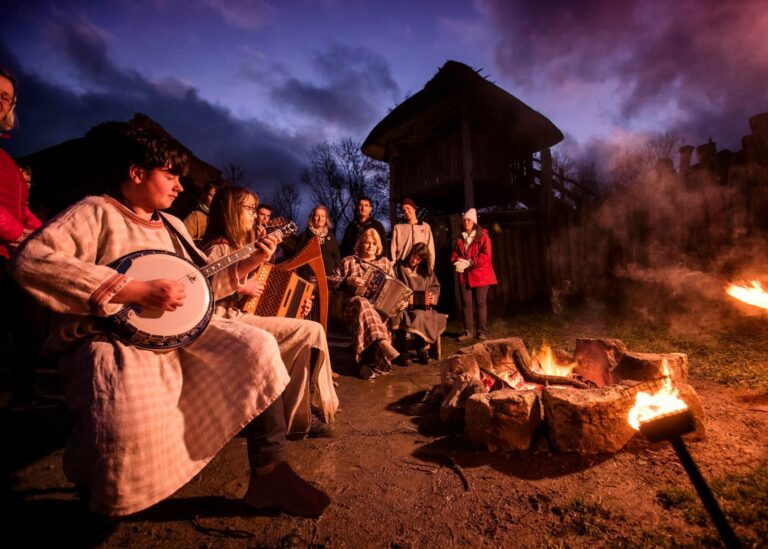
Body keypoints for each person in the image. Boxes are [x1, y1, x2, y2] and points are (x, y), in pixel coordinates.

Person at [10, 125, 330, 518]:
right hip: (114, 335)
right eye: (171, 175)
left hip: (184, 332)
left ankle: (270, 471)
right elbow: (32, 261)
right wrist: (133, 291)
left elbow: (203, 281)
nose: (180, 186)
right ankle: (102, 487)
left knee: (258, 347)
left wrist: (250, 261)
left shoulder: (174, 227)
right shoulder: (95, 212)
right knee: (127, 397)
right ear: (136, 172)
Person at [201, 187, 338, 437]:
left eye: (256, 210)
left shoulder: (244, 246)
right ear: (231, 211)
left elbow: (264, 293)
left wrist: (298, 305)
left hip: (244, 316)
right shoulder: (217, 247)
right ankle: (298, 418)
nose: (255, 215)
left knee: (312, 329)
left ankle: (303, 411)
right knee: (310, 331)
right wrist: (244, 281)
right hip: (222, 319)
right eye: (249, 209)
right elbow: (207, 287)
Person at [0, 67, 47, 408]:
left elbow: (21, 208)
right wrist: (17, 233)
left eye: (6, 98)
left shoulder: (7, 162)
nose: (0, 103)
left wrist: (49, 235)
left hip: (11, 260)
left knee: (28, 329)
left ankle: (23, 394)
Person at [330, 228, 402, 379]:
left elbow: (397, 289)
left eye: (374, 244)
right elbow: (329, 280)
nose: (370, 246)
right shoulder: (348, 261)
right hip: (353, 306)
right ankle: (382, 342)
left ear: (378, 246)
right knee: (363, 303)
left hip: (379, 310)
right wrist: (347, 280)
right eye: (366, 242)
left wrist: (402, 302)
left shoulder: (385, 263)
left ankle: (365, 364)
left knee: (371, 311)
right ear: (360, 244)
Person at [392, 242, 446, 364]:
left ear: (423, 260)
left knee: (421, 315)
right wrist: (404, 301)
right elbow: (395, 287)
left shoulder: (426, 271)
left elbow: (434, 287)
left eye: (418, 258)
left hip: (421, 307)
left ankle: (421, 349)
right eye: (413, 256)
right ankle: (403, 351)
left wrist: (433, 297)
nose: (414, 260)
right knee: (399, 317)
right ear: (410, 253)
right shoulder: (399, 268)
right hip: (403, 306)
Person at [451, 208, 497, 341]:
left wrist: (470, 262)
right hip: (465, 275)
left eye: (469, 220)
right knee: (466, 304)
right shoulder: (460, 238)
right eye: (464, 220)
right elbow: (455, 255)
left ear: (474, 222)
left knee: (480, 303)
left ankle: (481, 332)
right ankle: (468, 332)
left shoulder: (483, 237)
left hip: (480, 274)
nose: (466, 222)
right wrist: (457, 262)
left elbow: (486, 256)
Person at [390, 198, 435, 269]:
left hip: (420, 265)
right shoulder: (398, 228)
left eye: (408, 208)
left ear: (414, 209)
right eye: (404, 210)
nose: (406, 212)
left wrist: (430, 267)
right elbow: (393, 249)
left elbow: (430, 248)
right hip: (403, 266)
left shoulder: (425, 226)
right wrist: (394, 265)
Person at [182, 179, 220, 244]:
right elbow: (182, 240)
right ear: (204, 195)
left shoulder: (224, 219)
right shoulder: (195, 217)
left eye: (218, 196)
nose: (215, 199)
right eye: (212, 196)